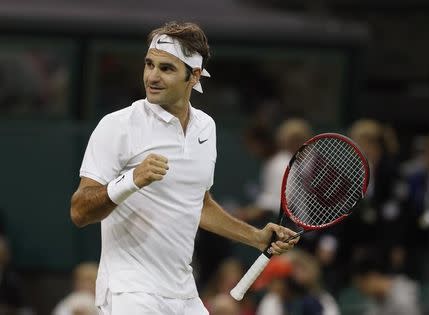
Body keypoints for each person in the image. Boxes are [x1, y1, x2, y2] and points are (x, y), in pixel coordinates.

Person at [70, 21, 299, 314]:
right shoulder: (117, 126)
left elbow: (198, 204)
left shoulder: (206, 127)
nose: (152, 76)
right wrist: (131, 180)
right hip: (130, 291)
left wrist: (255, 237)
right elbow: (79, 212)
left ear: (194, 75)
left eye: (166, 69)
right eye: (149, 64)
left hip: (183, 292)